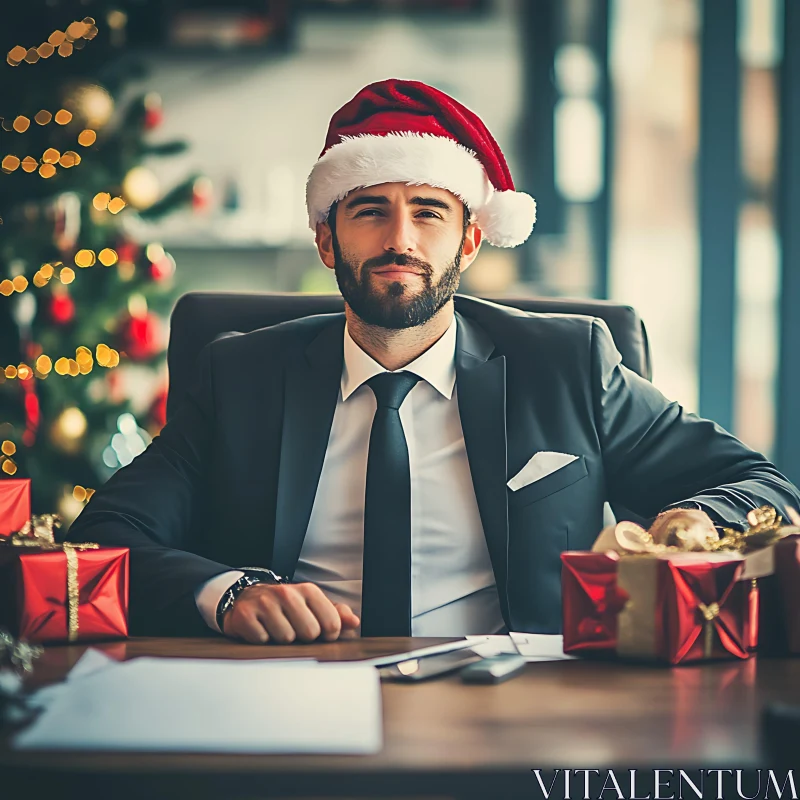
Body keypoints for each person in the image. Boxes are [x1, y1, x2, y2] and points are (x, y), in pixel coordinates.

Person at [67, 79, 800, 644]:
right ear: (327, 243)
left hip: (522, 702)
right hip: (293, 686)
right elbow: (101, 542)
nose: (400, 239)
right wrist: (223, 594)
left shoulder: (568, 364)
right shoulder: (240, 377)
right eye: (369, 210)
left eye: (427, 211)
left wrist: (686, 524)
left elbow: (761, 486)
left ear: (470, 241)